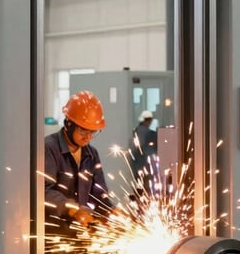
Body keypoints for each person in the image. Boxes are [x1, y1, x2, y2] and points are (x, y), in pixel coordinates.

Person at [44, 91, 113, 229]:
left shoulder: (91, 154)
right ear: (69, 124)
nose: (88, 137)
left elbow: (98, 193)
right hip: (53, 233)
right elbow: (44, 191)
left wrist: (110, 210)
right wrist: (73, 210)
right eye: (83, 131)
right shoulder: (48, 148)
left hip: (81, 234)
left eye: (92, 132)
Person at [130, 110, 158, 191]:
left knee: (140, 188)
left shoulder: (137, 130)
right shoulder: (145, 132)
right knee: (143, 188)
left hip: (139, 166)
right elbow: (141, 148)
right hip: (143, 165)